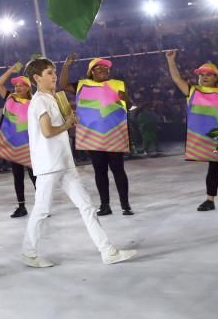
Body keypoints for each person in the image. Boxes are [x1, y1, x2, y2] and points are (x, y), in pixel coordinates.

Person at [21, 58, 136, 268]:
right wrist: (67, 125)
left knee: (87, 206)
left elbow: (57, 127)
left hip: (64, 162)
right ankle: (29, 253)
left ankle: (107, 251)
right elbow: (47, 132)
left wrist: (69, 122)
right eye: (49, 73)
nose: (54, 76)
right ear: (37, 78)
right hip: (49, 164)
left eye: (54, 72)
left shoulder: (54, 98)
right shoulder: (39, 101)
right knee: (42, 210)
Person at [60, 55, 134, 216]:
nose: (104, 70)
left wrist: (126, 98)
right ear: (91, 72)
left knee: (118, 170)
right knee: (100, 172)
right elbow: (63, 85)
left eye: (106, 68)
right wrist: (66, 66)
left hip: (114, 135)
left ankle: (125, 205)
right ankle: (105, 205)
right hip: (93, 137)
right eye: (99, 68)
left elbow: (129, 106)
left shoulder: (117, 84)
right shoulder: (82, 85)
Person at [165, 52, 218, 211]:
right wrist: (171, 60)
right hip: (216, 142)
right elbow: (176, 79)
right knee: (213, 171)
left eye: (208, 74)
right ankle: (210, 200)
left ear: (216, 78)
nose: (204, 77)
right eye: (201, 74)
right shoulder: (193, 92)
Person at [0, 63, 37, 218]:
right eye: (16, 85)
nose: (17, 88)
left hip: (31, 145)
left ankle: (41, 205)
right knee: (17, 177)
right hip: (14, 145)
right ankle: (21, 206)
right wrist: (10, 71)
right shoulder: (10, 98)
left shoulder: (35, 102)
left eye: (21, 85)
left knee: (34, 176)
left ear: (28, 88)